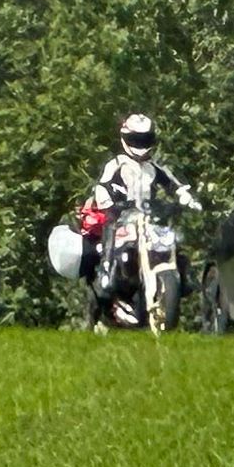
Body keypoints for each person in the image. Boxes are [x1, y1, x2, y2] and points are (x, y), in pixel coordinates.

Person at [78, 115, 193, 324]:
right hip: (121, 218)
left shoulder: (154, 167)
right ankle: (107, 274)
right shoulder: (116, 164)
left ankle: (181, 280)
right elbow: (102, 186)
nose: (140, 144)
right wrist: (109, 204)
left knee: (174, 244)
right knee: (111, 241)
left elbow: (174, 184)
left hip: (150, 218)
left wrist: (186, 198)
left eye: (144, 139)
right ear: (125, 138)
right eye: (136, 139)